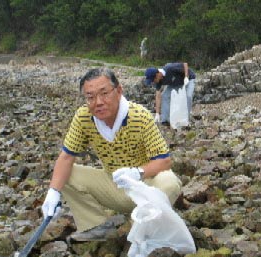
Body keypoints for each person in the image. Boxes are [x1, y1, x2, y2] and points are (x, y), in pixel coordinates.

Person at [41, 68, 182, 241]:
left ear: (119, 91)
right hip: (113, 185)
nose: (98, 102)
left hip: (145, 185)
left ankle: (147, 224)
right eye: (90, 97)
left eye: (104, 93)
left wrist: (138, 172)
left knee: (169, 182)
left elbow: (164, 161)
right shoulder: (83, 118)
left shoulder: (139, 116)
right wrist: (53, 192)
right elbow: (66, 157)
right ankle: (97, 225)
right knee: (65, 173)